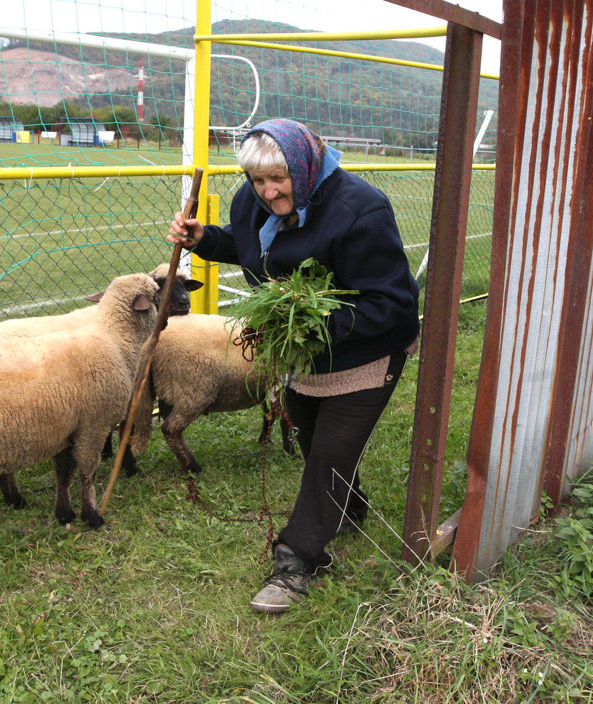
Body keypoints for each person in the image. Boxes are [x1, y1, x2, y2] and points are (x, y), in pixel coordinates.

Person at [167, 118, 420, 614]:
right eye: (258, 181)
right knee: (308, 435)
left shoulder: (359, 210)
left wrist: (308, 322)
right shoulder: (253, 202)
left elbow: (392, 304)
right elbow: (250, 244)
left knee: (328, 451)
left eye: (278, 178)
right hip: (302, 349)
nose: (268, 190)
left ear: (305, 166)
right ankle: (348, 508)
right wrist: (205, 239)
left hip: (366, 349)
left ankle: (297, 560)